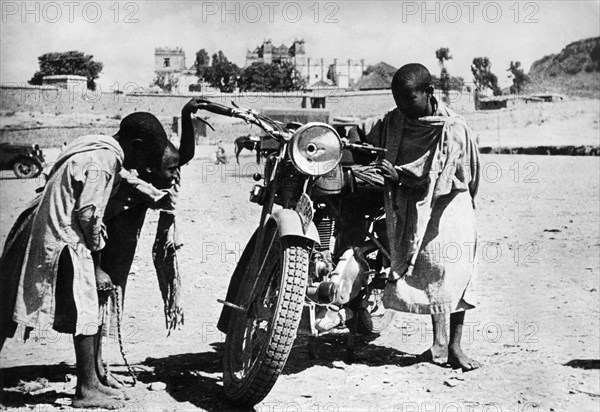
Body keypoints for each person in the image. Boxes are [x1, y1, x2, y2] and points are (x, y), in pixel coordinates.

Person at [0, 112, 178, 409]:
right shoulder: (106, 160)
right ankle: (86, 390)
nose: (145, 165)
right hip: (65, 236)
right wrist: (95, 266)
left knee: (16, 303)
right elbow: (89, 213)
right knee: (86, 307)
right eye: (146, 156)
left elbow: (120, 176)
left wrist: (148, 192)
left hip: (51, 228)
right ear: (135, 144)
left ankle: (92, 379)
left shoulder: (96, 147)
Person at [358, 63, 481, 371]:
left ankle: (454, 346)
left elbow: (442, 179)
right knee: (431, 271)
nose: (402, 108)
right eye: (397, 101)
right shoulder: (395, 120)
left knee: (454, 273)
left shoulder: (453, 128)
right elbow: (360, 132)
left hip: (450, 203)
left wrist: (398, 176)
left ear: (429, 92)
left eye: (408, 100)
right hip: (414, 204)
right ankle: (438, 346)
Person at [94, 98, 207, 388]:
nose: (174, 175)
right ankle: (94, 366)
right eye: (169, 170)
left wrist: (186, 115)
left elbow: (184, 156)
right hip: (110, 230)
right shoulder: (124, 167)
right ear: (146, 166)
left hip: (126, 231)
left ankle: (99, 361)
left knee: (115, 291)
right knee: (103, 290)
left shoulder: (155, 158)